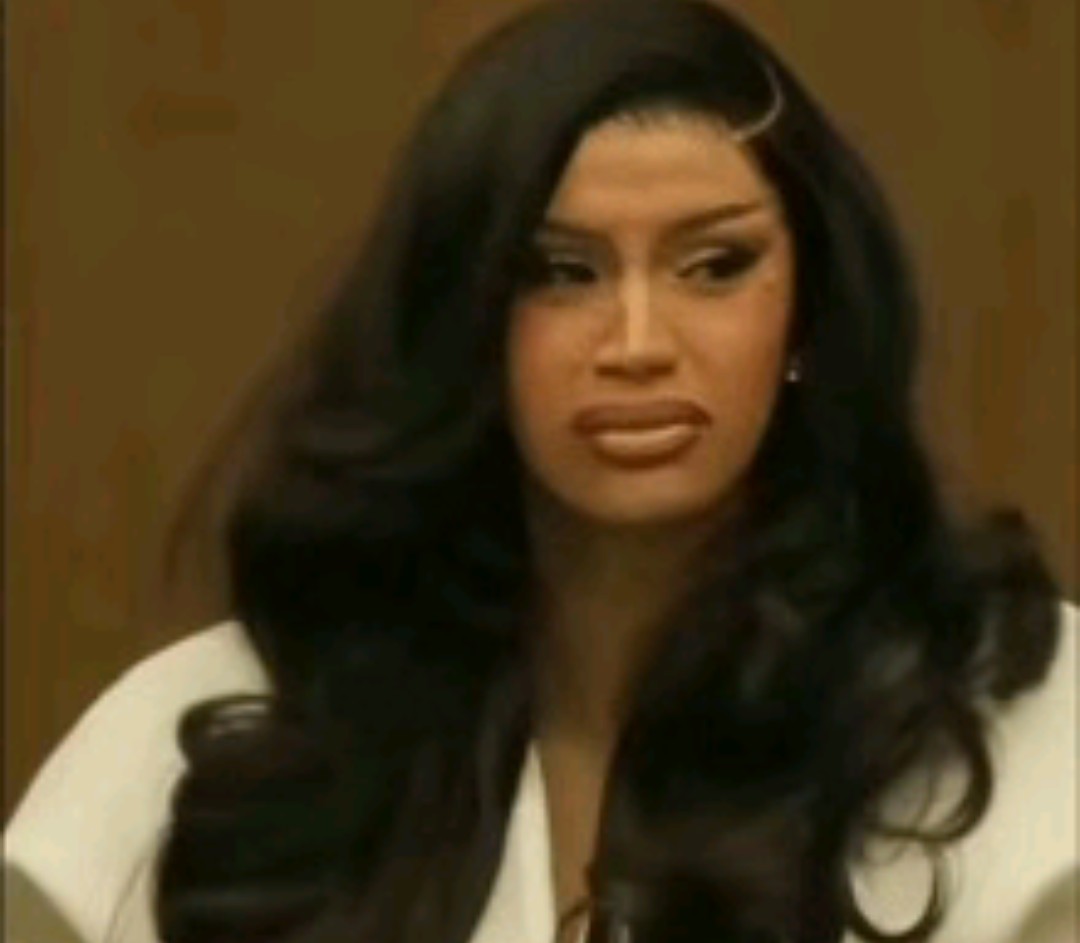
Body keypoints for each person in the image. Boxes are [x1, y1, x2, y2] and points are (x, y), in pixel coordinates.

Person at [4, 0, 1076, 941]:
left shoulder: (1039, 738)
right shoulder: (195, 752)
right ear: (462, 315)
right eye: (560, 273)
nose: (638, 343)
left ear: (809, 309)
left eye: (715, 265)